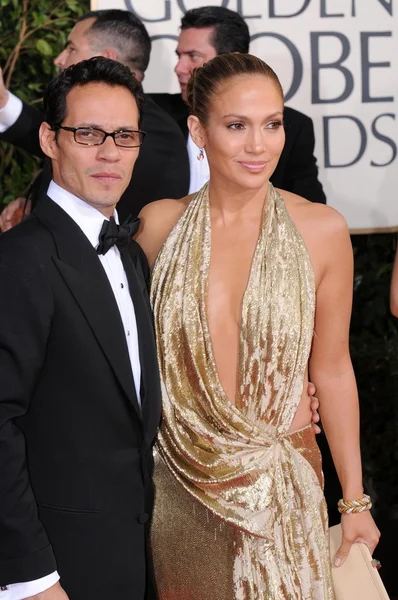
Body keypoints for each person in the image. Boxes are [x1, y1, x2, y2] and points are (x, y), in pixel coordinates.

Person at [136, 53, 380, 598]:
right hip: (180, 484)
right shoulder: (157, 226)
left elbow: (334, 369)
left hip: (286, 479)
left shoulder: (321, 230)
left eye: (272, 125)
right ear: (198, 130)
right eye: (236, 126)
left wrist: (355, 500)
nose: (258, 145)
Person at [0, 57, 161, 600]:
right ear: (49, 139)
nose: (110, 152)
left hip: (131, 561)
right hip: (54, 573)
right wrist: (31, 579)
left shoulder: (131, 256)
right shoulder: (18, 262)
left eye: (125, 135)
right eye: (88, 133)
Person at [0, 9, 189, 231]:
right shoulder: (144, 119)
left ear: (104, 59)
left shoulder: (156, 131)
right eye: (88, 134)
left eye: (71, 48)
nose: (59, 60)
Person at [151, 5, 326, 204]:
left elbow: (312, 210)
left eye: (193, 56)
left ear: (231, 59)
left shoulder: (296, 127)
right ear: (197, 129)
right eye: (179, 55)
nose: (179, 68)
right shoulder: (154, 115)